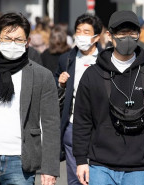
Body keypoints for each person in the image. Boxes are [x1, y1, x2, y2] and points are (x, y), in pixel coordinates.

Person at [73, 10, 144, 185]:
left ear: (139, 35)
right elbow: (82, 120)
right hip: (99, 166)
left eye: (132, 32)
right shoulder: (92, 75)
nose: (127, 37)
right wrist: (81, 160)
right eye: (121, 32)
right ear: (110, 35)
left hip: (139, 168)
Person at [0, 13, 60, 184]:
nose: (12, 44)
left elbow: (50, 124)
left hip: (20, 162)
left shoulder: (41, 76)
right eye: (7, 38)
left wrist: (49, 169)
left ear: (27, 42)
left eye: (18, 39)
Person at [55, 13, 102, 185]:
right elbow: (56, 87)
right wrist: (60, 84)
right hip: (73, 125)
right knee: (76, 178)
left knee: (98, 175)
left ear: (97, 36)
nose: (81, 35)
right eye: (78, 31)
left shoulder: (106, 59)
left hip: (101, 126)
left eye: (86, 31)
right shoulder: (66, 59)